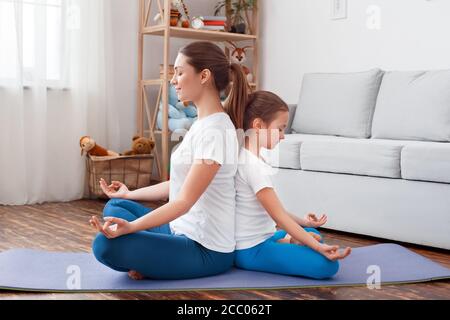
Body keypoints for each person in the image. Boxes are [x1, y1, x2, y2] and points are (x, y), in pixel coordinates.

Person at [89, 41, 250, 280]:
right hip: (178, 229)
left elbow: (183, 201)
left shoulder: (216, 132)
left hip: (205, 249)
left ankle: (151, 261)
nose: (173, 80)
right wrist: (128, 194)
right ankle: (152, 259)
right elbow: (179, 183)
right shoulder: (202, 123)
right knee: (116, 207)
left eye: (179, 72)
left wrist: (133, 228)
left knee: (104, 245)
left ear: (204, 76)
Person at [234, 91, 352, 279]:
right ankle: (288, 240)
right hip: (251, 249)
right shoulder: (253, 166)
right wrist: (319, 248)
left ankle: (286, 239)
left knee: (311, 232)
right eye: (280, 129)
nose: (283, 136)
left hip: (262, 237)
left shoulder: (250, 157)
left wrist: (305, 223)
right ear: (258, 126)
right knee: (327, 266)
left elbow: (272, 209)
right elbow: (279, 217)